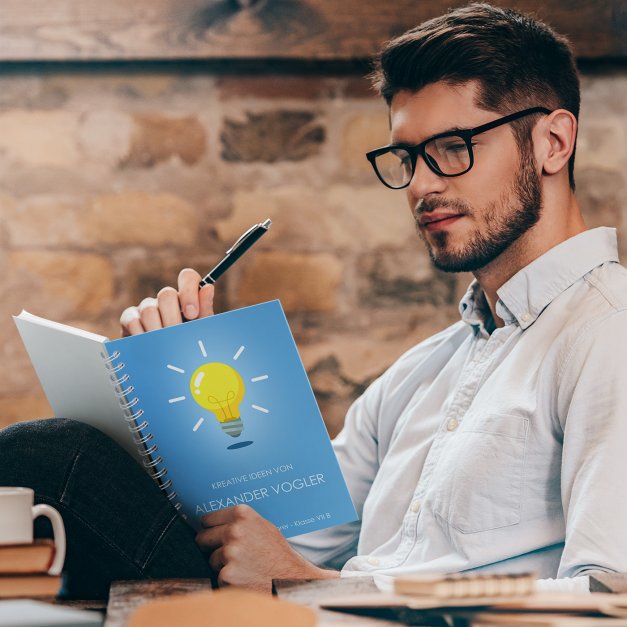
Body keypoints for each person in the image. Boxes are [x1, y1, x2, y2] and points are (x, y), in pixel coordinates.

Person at [2, 2, 626, 598]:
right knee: (53, 476)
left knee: (53, 458)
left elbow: (610, 597)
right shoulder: (423, 372)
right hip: (288, 609)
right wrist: (188, 377)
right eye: (407, 157)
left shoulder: (607, 333)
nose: (423, 185)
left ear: (553, 142)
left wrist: (317, 591)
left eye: (454, 148)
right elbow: (279, 538)